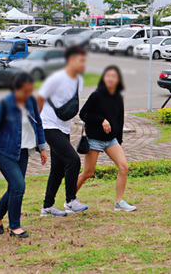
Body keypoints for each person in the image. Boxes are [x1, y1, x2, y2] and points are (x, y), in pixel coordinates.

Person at [0, 72, 49, 239]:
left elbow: (38, 124)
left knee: (14, 187)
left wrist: (43, 148)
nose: (27, 94)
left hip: (23, 152)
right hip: (4, 152)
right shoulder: (4, 105)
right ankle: (15, 226)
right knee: (19, 186)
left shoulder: (31, 101)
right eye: (24, 91)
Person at [37, 44, 88, 216]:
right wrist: (37, 125)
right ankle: (70, 200)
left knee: (57, 169)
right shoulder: (56, 78)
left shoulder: (79, 80)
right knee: (73, 160)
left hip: (64, 127)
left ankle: (47, 207)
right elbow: (39, 98)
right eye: (80, 60)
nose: (83, 64)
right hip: (48, 125)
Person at [77, 66, 136, 212]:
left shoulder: (118, 97)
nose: (110, 79)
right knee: (88, 173)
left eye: (113, 76)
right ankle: (70, 199)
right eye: (107, 76)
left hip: (111, 140)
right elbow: (83, 114)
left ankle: (119, 202)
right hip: (95, 139)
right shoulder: (96, 95)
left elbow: (119, 120)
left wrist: (119, 141)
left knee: (124, 167)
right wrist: (101, 120)